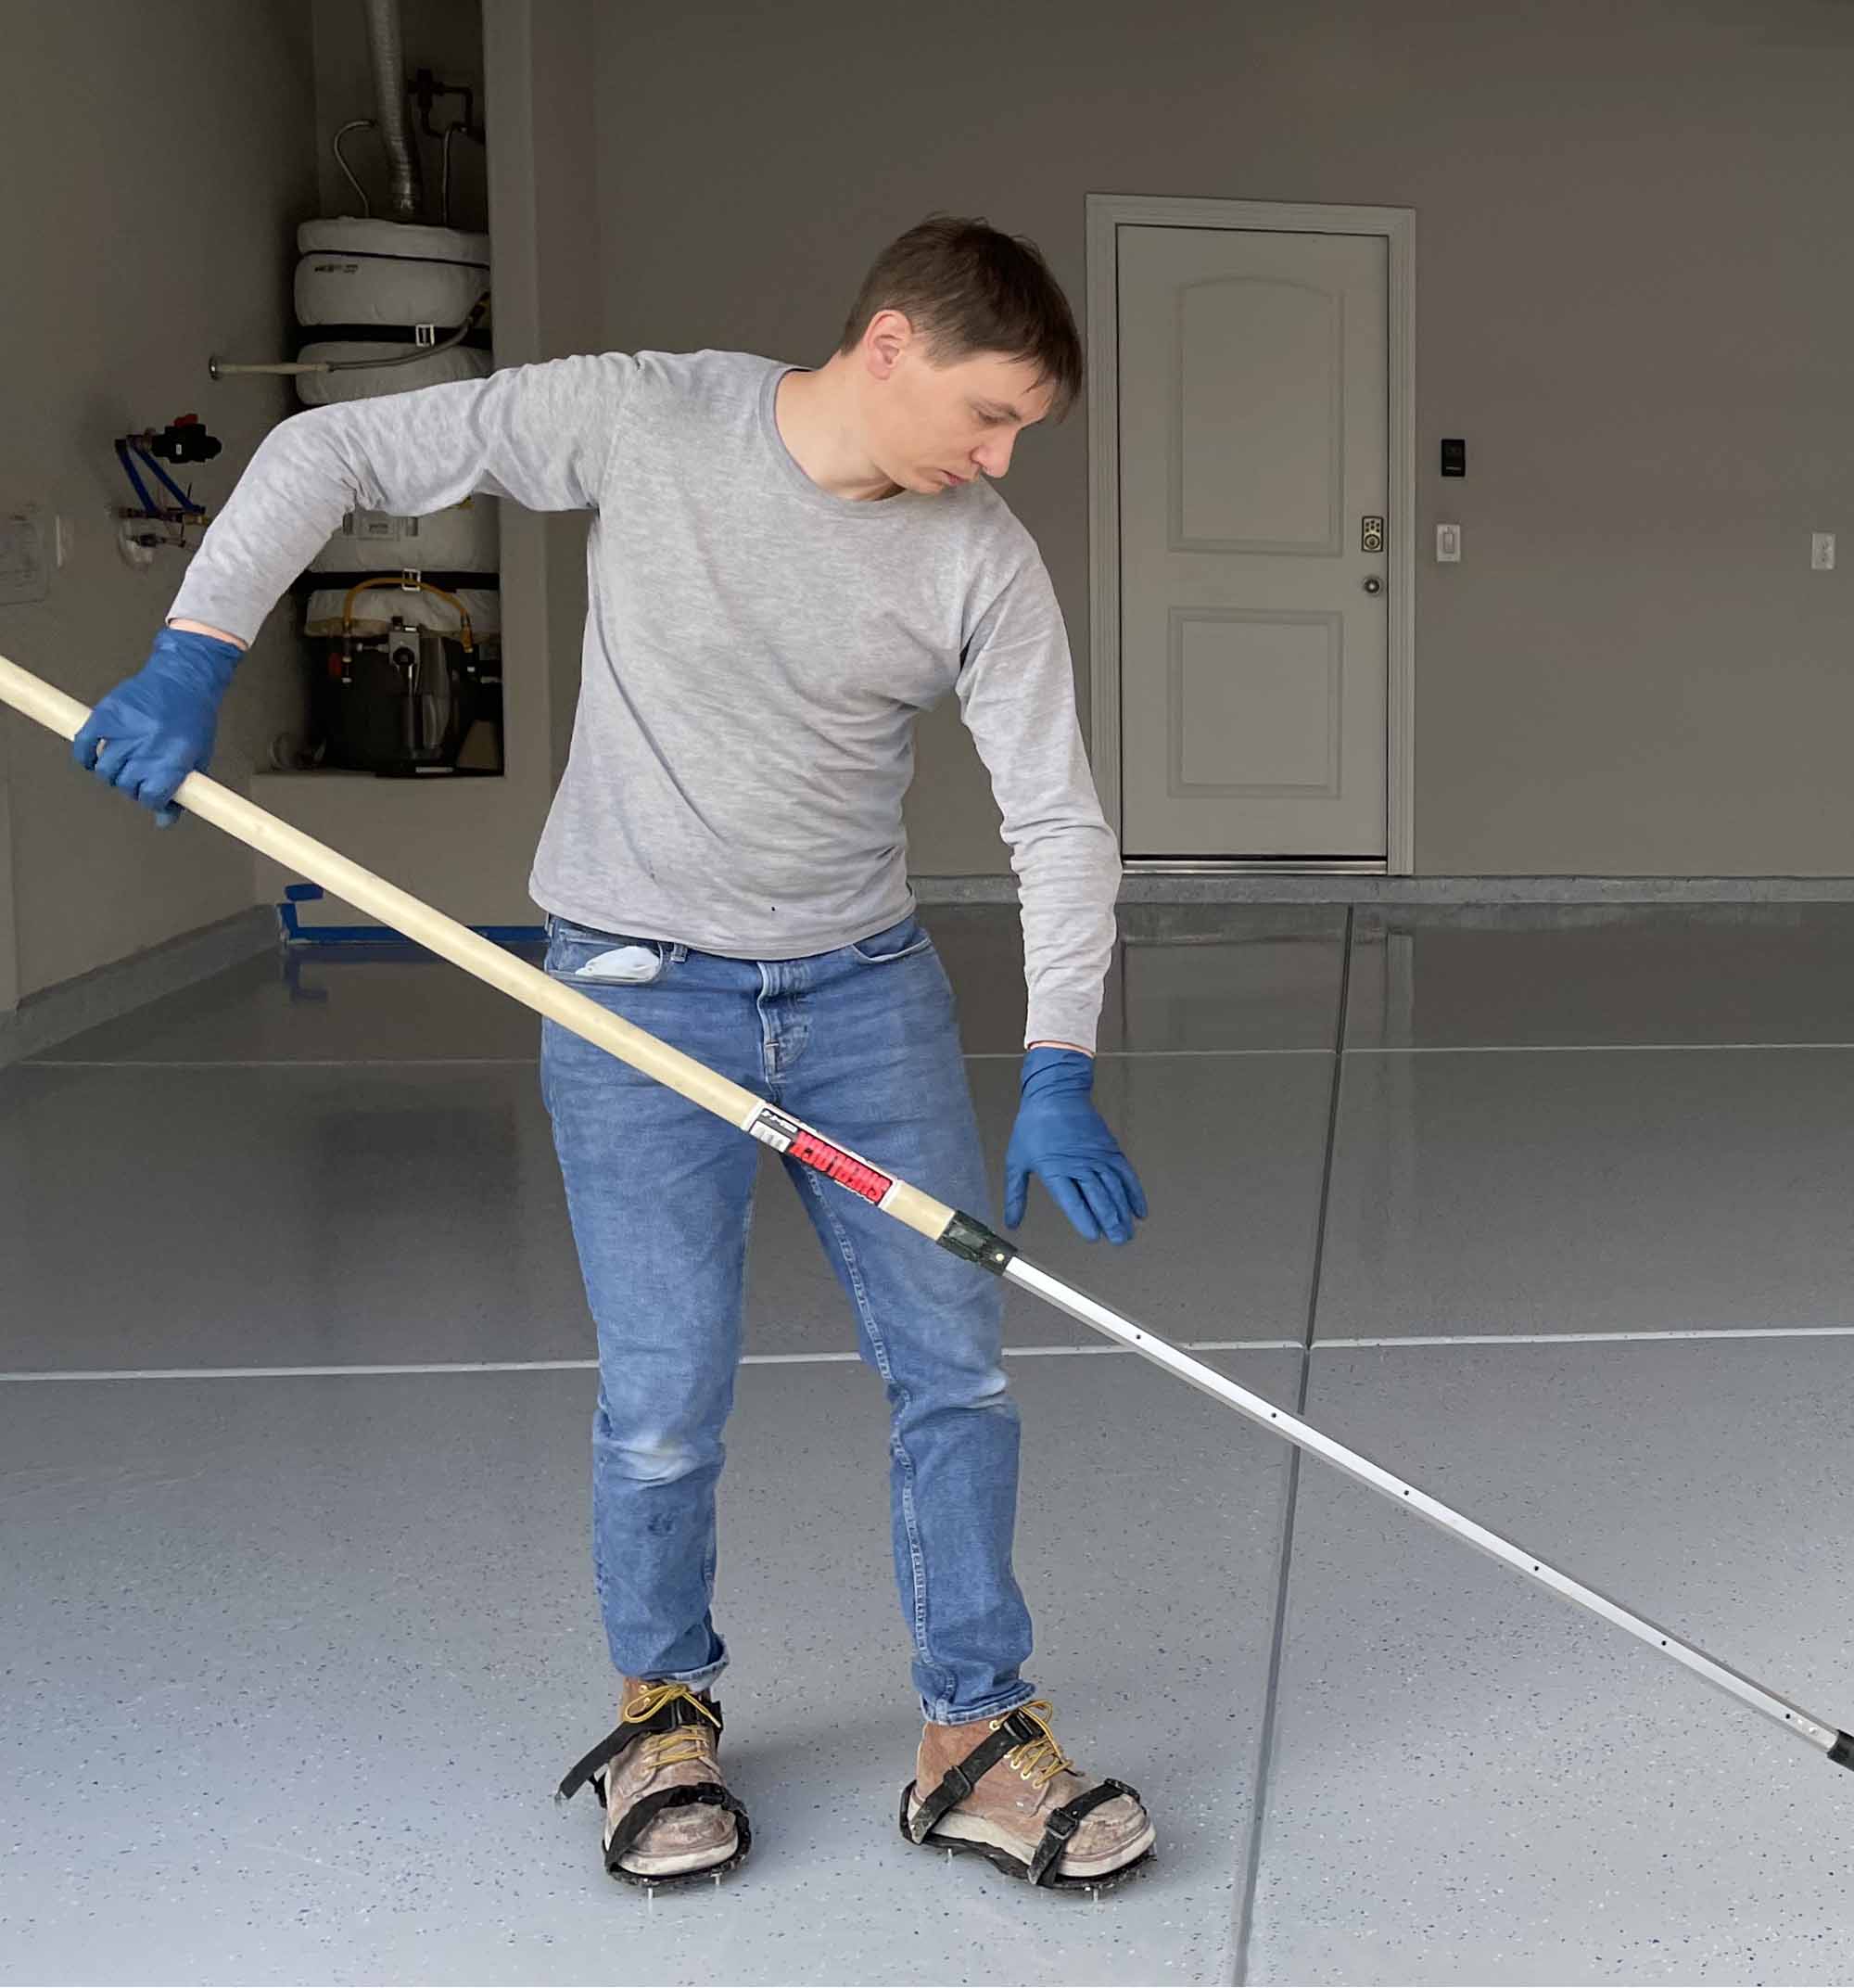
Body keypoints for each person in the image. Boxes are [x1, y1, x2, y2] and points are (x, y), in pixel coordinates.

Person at [71, 216, 1158, 1892]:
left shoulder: (977, 553)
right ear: (887, 347)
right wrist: (193, 652)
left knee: (958, 1370)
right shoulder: (652, 416)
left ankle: (972, 1731)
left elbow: (1056, 823)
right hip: (639, 992)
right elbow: (331, 441)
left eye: (1019, 431)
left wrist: (1064, 1051)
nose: (999, 458)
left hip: (865, 992)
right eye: (988, 413)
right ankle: (663, 1714)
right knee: (663, 1401)